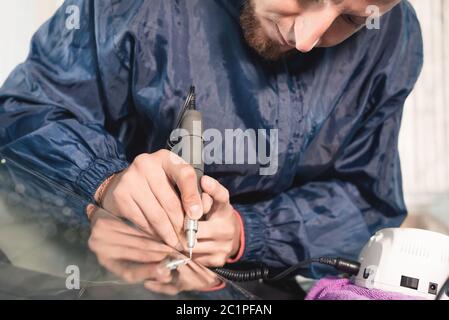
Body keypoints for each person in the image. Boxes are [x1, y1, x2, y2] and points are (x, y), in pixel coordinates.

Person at [0, 0, 423, 283]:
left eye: (350, 19)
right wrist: (103, 184)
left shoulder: (390, 35)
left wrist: (247, 232)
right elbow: (24, 112)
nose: (306, 37)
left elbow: (367, 197)